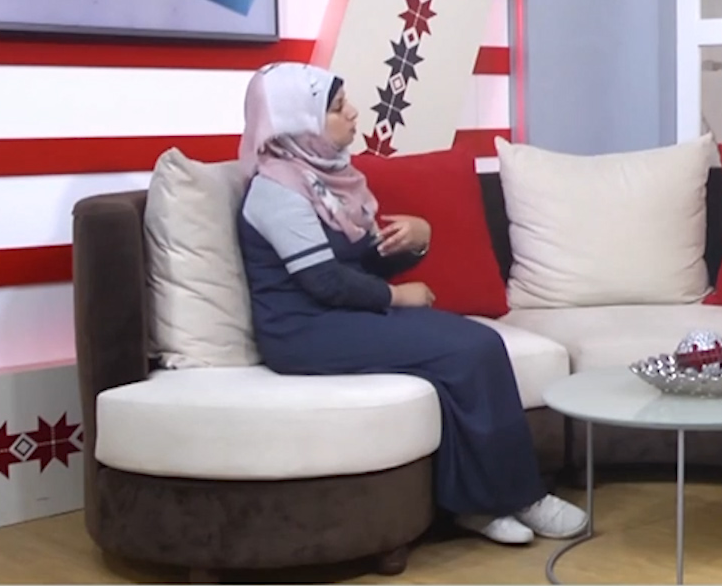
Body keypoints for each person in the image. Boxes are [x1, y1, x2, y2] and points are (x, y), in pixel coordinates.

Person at [236, 62, 586, 546]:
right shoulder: (276, 190)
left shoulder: (330, 179)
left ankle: (474, 505)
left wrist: (418, 240)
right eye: (337, 108)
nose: (353, 113)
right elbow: (323, 281)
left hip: (339, 314)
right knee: (474, 347)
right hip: (303, 329)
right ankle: (522, 497)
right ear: (299, 125)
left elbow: (363, 262)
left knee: (458, 355)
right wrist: (399, 296)